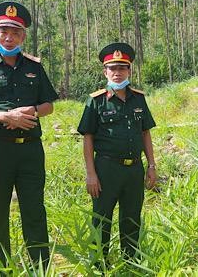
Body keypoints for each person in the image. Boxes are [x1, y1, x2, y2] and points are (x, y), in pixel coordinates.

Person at [0, 1, 58, 269]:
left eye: (15, 32)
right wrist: (5, 116)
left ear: (23, 36)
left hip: (30, 150)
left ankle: (41, 267)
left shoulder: (34, 67)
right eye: (3, 31)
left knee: (35, 210)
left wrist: (33, 111)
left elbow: (49, 105)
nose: (9, 36)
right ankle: (2, 269)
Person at [77, 42, 157, 266]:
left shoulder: (138, 99)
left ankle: (130, 262)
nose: (117, 72)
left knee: (131, 218)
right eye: (112, 68)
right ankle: (99, 265)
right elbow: (88, 138)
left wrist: (151, 166)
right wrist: (91, 174)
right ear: (105, 71)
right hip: (106, 169)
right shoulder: (96, 101)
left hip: (134, 169)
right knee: (101, 219)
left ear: (129, 70)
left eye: (122, 68)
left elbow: (145, 133)